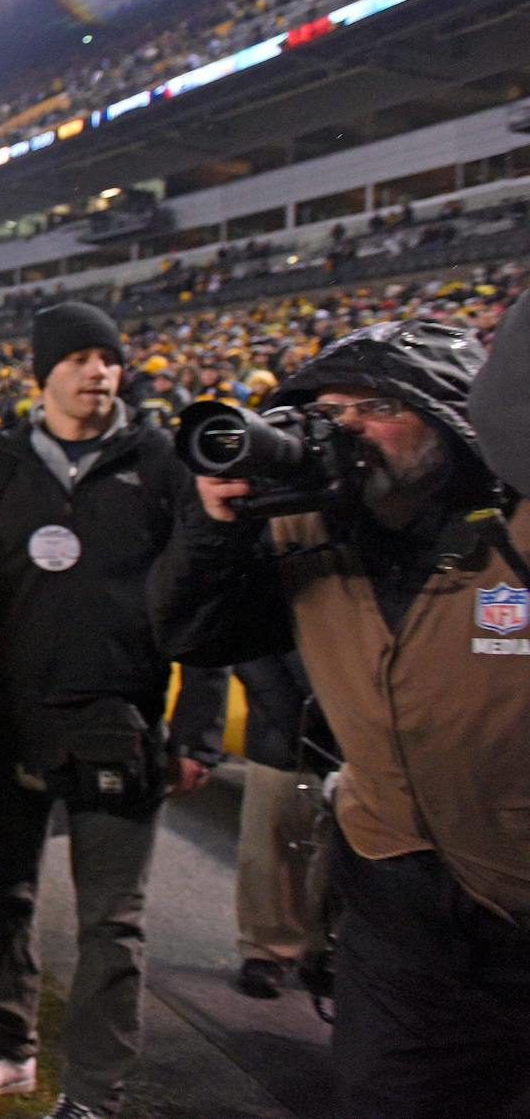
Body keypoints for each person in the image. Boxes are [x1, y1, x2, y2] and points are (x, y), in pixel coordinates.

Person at [151, 319, 530, 1116]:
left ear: (452, 417)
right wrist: (214, 527)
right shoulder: (304, 525)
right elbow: (196, 631)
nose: (345, 430)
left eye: (374, 406)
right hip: (399, 910)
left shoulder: (515, 532)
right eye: (328, 411)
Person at [0, 301, 227, 1119]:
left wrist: (197, 725)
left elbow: (203, 594)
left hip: (119, 722)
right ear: (44, 372)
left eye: (109, 358)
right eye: (81, 358)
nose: (99, 371)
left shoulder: (160, 462)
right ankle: (7, 1048)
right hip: (6, 716)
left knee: (112, 923)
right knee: (5, 894)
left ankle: (93, 1094)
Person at [228, 650, 336, 1000]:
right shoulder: (280, 594)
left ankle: (326, 947)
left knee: (341, 851)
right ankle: (268, 950)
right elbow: (252, 655)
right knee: (269, 843)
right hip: (282, 729)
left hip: (350, 732)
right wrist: (296, 714)